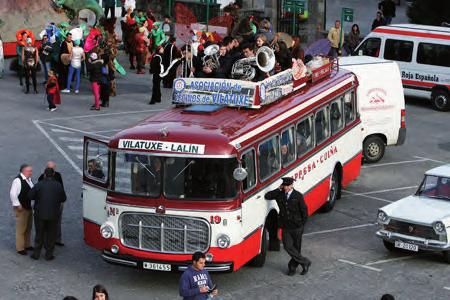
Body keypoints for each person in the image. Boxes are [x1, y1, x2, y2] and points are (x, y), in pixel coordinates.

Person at [265, 177, 311, 276]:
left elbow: (304, 210)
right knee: (287, 246)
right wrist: (278, 189)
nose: (285, 188)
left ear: (291, 186)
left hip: (297, 226)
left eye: (287, 186)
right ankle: (305, 262)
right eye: (284, 185)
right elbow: (268, 196)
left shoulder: (297, 195)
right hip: (286, 226)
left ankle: (292, 268)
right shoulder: (279, 194)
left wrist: (303, 224)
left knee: (297, 248)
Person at [29, 168, 66, 260]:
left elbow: (30, 196)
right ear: (53, 174)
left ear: (44, 174)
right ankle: (48, 255)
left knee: (39, 234)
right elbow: (63, 198)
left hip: (39, 214)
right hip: (53, 215)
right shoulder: (58, 185)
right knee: (51, 235)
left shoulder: (39, 184)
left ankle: (36, 254)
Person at [38, 161, 65, 246]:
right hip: (48, 204)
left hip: (58, 203)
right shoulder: (42, 177)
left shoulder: (58, 175)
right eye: (51, 168)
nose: (53, 170)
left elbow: (61, 188)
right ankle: (46, 241)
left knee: (58, 222)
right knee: (47, 223)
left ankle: (57, 239)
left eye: (54, 168)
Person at [10, 164, 34, 255]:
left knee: (28, 227)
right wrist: (17, 205)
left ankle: (27, 244)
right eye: (29, 171)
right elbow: (13, 194)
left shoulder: (29, 179)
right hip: (22, 208)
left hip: (28, 207)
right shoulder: (17, 180)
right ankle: (20, 248)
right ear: (23, 171)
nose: (31, 173)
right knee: (21, 229)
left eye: (31, 171)